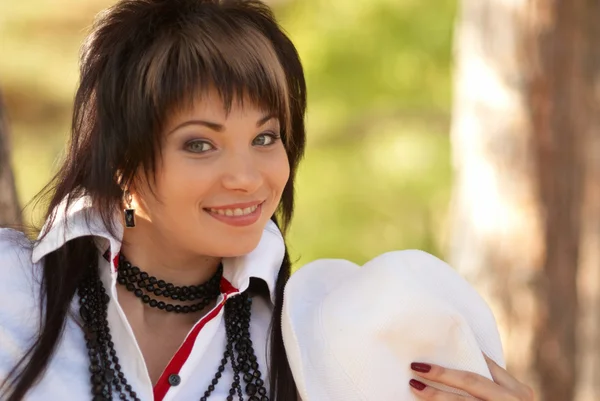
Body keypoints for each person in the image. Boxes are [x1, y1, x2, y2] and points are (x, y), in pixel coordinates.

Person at [0, 1, 534, 400]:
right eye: (200, 144)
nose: (246, 178)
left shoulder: (326, 340)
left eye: (265, 138)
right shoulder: (14, 295)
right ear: (121, 161)